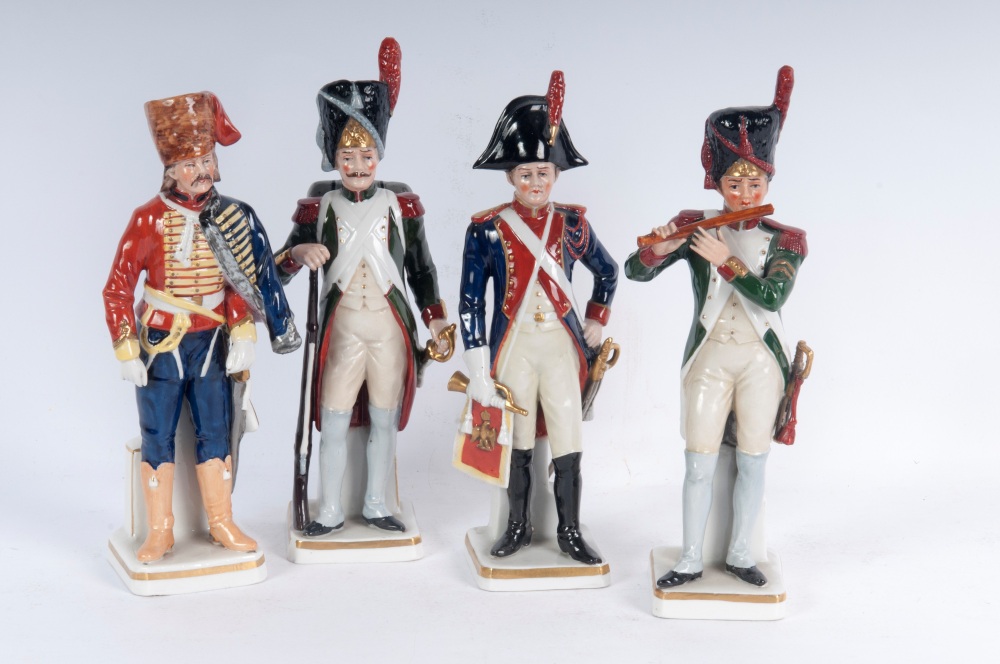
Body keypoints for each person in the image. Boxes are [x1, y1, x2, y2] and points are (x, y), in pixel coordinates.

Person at [625, 66, 805, 588]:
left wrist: (727, 262)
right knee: (698, 462)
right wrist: (659, 247)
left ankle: (742, 553)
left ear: (768, 183)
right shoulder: (695, 224)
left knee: (753, 460)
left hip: (760, 361)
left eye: (755, 184)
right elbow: (636, 272)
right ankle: (690, 557)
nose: (745, 193)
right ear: (718, 184)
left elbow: (773, 295)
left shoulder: (787, 238)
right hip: (708, 358)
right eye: (735, 183)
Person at [103, 91, 300, 563]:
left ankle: (221, 520)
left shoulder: (232, 216)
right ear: (171, 170)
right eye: (191, 164)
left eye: (207, 160)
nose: (202, 171)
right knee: (157, 434)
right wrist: (126, 348)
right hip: (160, 344)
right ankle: (160, 530)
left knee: (216, 429)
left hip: (212, 341)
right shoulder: (147, 219)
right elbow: (117, 288)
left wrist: (244, 333)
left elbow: (241, 283)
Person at [276, 38, 451, 536]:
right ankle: (330, 508)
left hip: (389, 330)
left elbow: (420, 268)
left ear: (379, 156)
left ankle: (376, 503)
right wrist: (299, 254)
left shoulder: (402, 205)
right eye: (348, 155)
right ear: (334, 157)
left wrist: (436, 318)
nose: (357, 165)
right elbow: (279, 269)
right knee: (332, 419)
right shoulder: (318, 207)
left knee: (383, 418)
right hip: (344, 330)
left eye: (366, 154)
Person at [459, 71, 618, 565]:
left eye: (543, 173)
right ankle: (517, 526)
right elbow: (471, 303)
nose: (535, 183)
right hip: (514, 348)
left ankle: (569, 530)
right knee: (519, 443)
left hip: (560, 347)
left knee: (568, 438)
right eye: (525, 174)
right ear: (510, 177)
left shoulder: (572, 224)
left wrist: (596, 318)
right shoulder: (486, 230)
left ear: (556, 176)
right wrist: (479, 370)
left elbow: (607, 270)